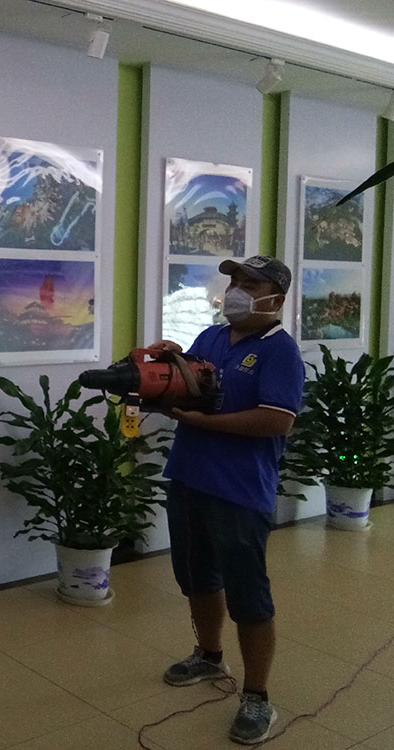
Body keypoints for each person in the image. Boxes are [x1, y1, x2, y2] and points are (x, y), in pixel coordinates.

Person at [149, 255, 305, 745]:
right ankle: (209, 656)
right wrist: (168, 365)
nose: (236, 290)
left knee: (247, 594)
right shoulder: (211, 337)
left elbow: (277, 420)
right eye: (234, 281)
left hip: (239, 490)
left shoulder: (280, 351)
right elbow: (191, 388)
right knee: (197, 577)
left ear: (275, 298)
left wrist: (207, 423)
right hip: (189, 477)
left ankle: (257, 697)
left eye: (249, 284)